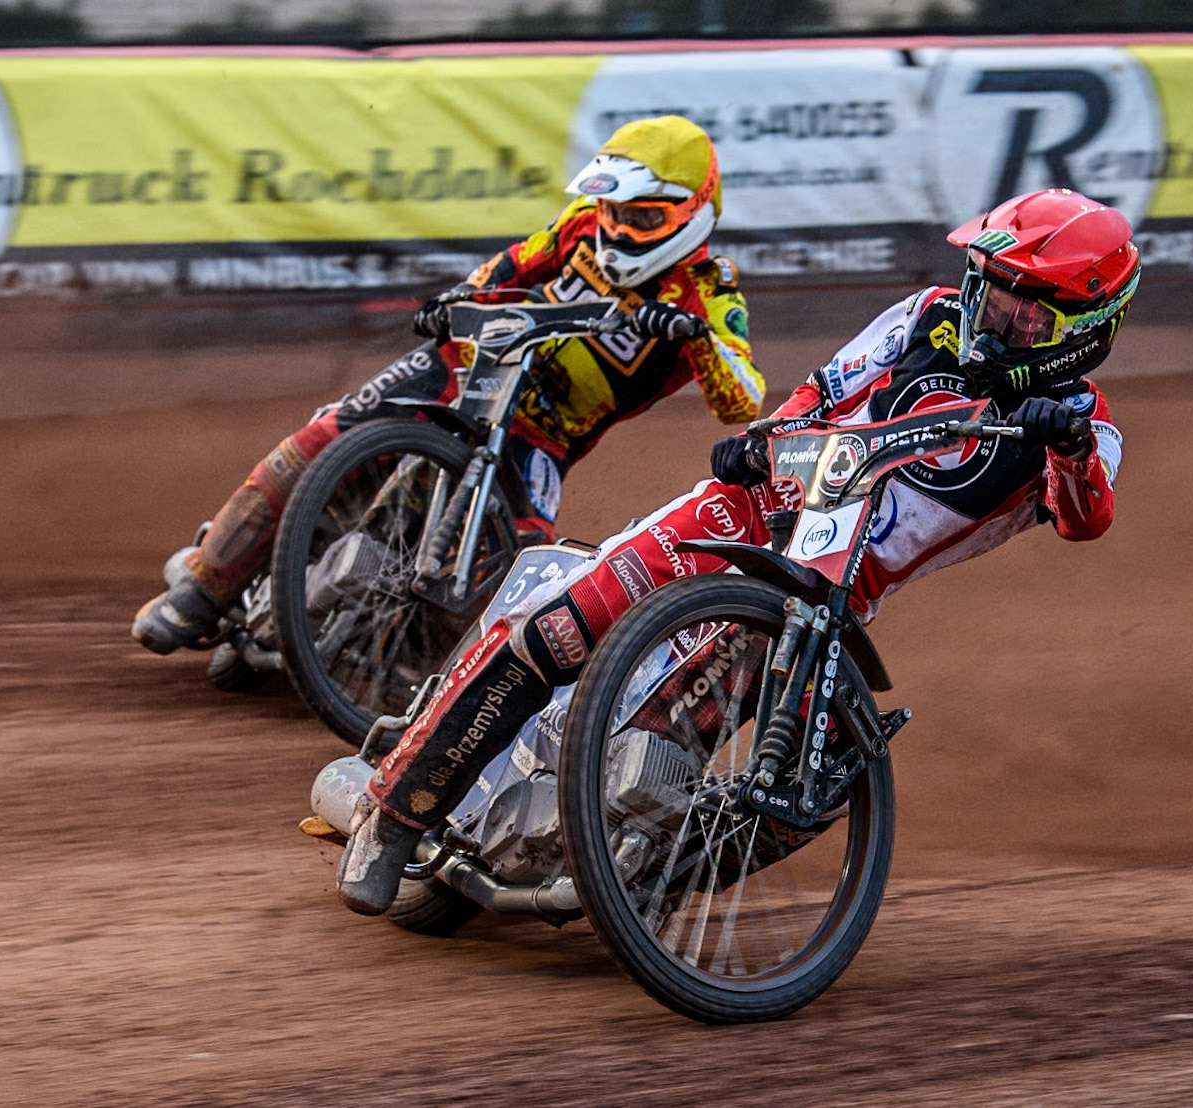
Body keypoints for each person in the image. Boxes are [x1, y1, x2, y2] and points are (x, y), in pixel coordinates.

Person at [334, 188, 1138, 914]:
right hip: (748, 508)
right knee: (556, 630)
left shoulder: (1086, 429)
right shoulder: (927, 314)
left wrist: (1064, 443)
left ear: (1083, 332)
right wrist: (767, 438)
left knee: (768, 768)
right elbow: (827, 387)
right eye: (987, 292)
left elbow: (1085, 519)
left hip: (824, 596)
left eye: (1021, 314)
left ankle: (635, 879)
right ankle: (396, 815)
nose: (989, 318)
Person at [133, 115, 765, 654]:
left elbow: (743, 397)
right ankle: (203, 587)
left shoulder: (708, 293)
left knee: (517, 586)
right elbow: (514, 263)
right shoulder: (580, 223)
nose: (621, 231)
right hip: (467, 365)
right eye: (614, 212)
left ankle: (389, 666)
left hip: (542, 438)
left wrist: (695, 335)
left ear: (694, 212)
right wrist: (459, 297)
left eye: (643, 217)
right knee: (322, 439)